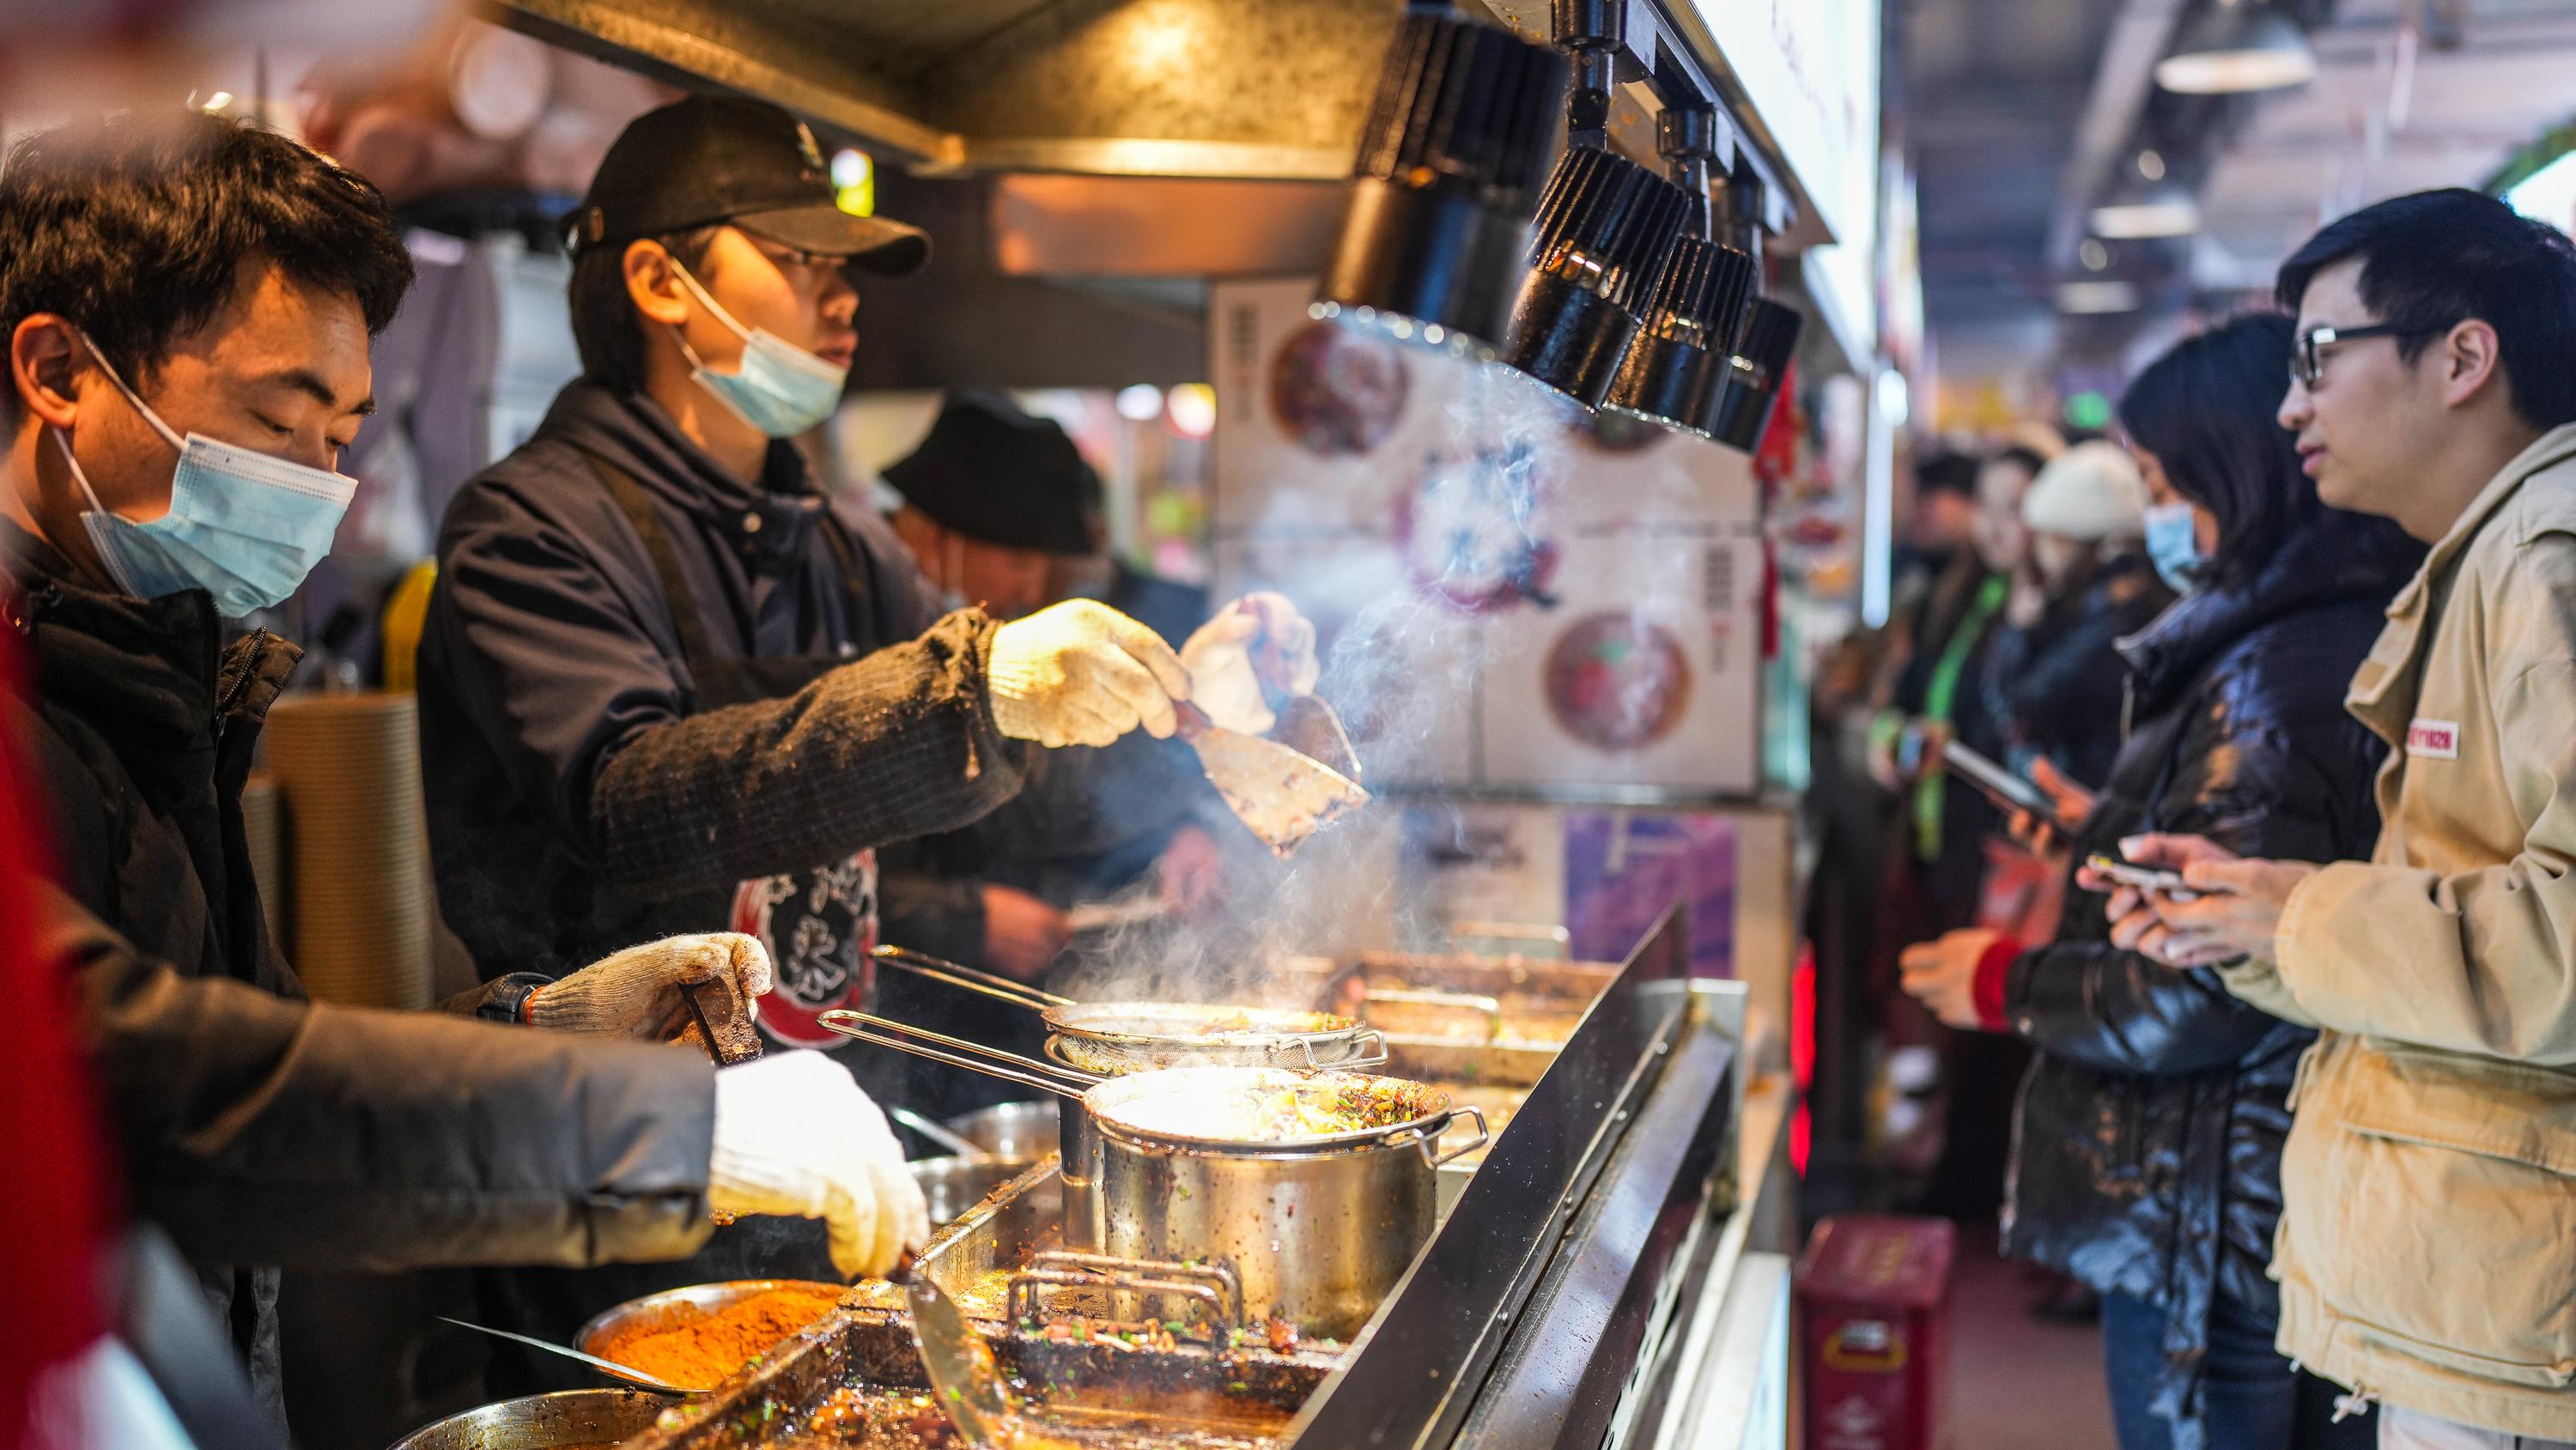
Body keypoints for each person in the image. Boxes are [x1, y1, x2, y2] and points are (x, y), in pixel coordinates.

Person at [0, 109, 925, 1424]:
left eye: (344, 433)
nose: (323, 485)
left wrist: (540, 1027)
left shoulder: (157, 666)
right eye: (277, 418)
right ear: (57, 368)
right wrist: (656, 1132)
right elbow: (144, 1085)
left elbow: (279, 1046)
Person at [413, 95, 1314, 1375]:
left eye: (842, 269)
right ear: (663, 281)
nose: (840, 300)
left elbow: (1022, 788)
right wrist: (970, 688)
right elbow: (632, 801)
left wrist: (1195, 718)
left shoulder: (837, 542)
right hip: (627, 1178)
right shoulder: (530, 531)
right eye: (797, 262)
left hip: (840, 1138)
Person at [1902, 313, 2420, 1450]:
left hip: (2219, 1202)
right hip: (2240, 1186)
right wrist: (2116, 825)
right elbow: (2246, 862)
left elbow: (2209, 982)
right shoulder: (2283, 640)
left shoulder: (2278, 669)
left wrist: (2004, 982)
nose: (2152, 519)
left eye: (2157, 481)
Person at [2112, 191, 2576, 1450]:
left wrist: (2301, 908)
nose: (2290, 402)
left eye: (2321, 353)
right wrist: (2249, 924)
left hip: (2520, 1312)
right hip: (2482, 1288)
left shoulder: (2549, 559)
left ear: (2464, 358)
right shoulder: (2488, 558)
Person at [872, 392, 1234, 982]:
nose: (1032, 585)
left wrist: (1185, 823)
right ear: (947, 533)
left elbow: (1029, 792)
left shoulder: (959, 620)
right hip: (884, 991)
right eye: (1018, 557)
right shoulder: (860, 606)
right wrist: (963, 919)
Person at [1984, 440, 2172, 792]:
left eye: (2049, 539)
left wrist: (2018, 632)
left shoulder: (2113, 618)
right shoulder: (2119, 601)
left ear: (2077, 541)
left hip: (2091, 801)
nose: (2040, 553)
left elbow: (2019, 712)